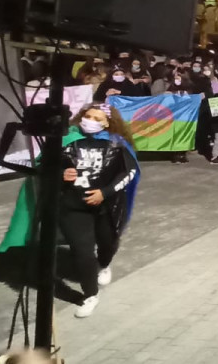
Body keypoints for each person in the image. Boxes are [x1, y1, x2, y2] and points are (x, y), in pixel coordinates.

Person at [60, 104, 140, 318]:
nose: (90, 120)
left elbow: (129, 172)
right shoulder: (67, 140)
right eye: (87, 116)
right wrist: (61, 173)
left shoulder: (116, 144)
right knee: (82, 251)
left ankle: (104, 264)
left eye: (96, 117)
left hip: (108, 206)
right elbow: (45, 167)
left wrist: (105, 192)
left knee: (108, 243)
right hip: (73, 207)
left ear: (107, 122)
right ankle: (90, 295)